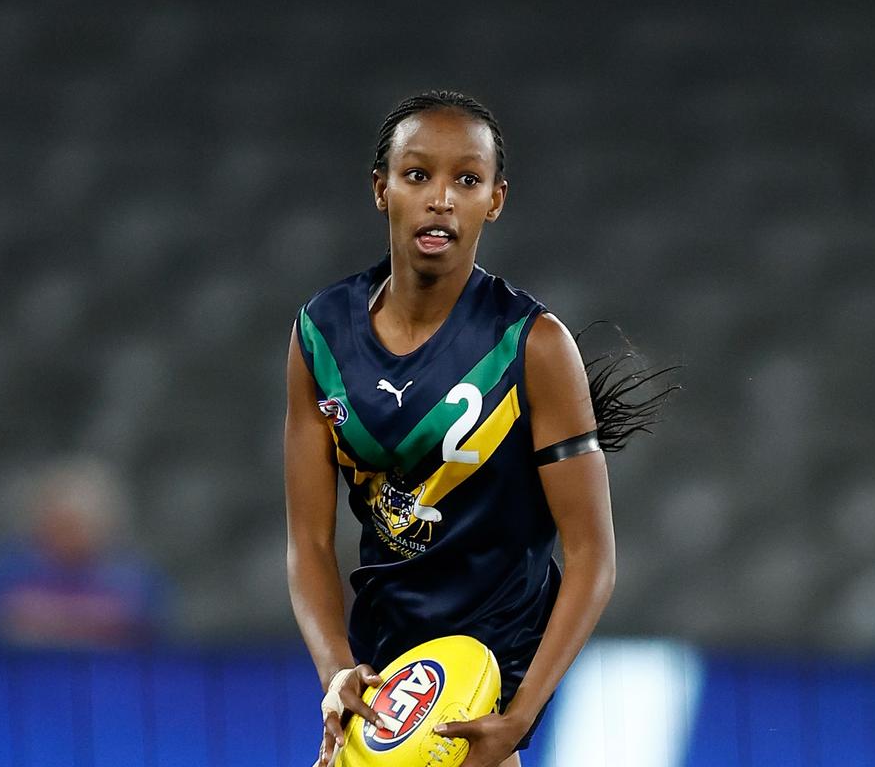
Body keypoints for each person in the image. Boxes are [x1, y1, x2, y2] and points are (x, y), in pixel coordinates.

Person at [285, 91, 673, 767]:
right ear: (382, 189)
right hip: (387, 679)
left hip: (485, 675)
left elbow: (592, 558)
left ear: (494, 199)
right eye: (417, 175)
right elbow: (309, 544)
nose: (441, 199)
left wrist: (520, 717)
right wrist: (335, 671)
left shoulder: (533, 344)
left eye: (466, 179)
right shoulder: (321, 335)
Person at [0, 456, 171, 649]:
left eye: (79, 524)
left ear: (107, 524)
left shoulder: (136, 579)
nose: (68, 534)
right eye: (60, 522)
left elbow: (157, 633)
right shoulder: (1, 574)